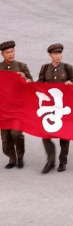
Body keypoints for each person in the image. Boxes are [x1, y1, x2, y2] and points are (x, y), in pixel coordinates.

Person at [36, 43, 73, 173]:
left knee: (64, 135)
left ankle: (63, 161)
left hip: (63, 106)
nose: (58, 56)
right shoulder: (45, 68)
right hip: (50, 107)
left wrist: (72, 83)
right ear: (50, 55)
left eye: (59, 53)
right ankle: (50, 161)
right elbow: (39, 83)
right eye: (55, 54)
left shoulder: (67, 67)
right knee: (46, 135)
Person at [0, 41, 32, 169]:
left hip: (18, 107)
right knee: (5, 137)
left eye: (12, 51)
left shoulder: (21, 66)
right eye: (7, 52)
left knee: (16, 133)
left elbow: (31, 84)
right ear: (2, 54)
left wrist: (24, 78)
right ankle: (11, 157)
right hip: (3, 108)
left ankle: (20, 156)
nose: (11, 54)